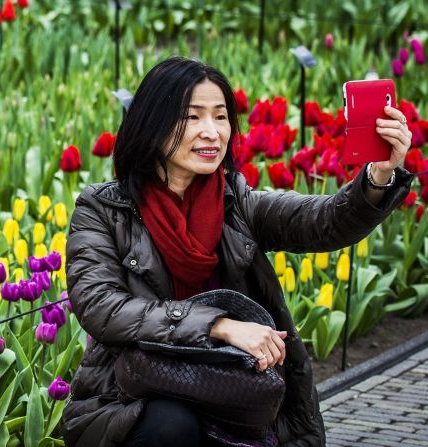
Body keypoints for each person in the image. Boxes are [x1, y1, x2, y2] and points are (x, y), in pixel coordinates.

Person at [61, 57, 413, 447]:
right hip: (132, 389)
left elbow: (323, 222)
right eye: (192, 118)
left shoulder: (236, 202)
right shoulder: (104, 209)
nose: (211, 132)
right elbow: (101, 305)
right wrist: (217, 325)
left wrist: (378, 176)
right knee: (170, 423)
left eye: (221, 117)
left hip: (230, 384)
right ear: (152, 122)